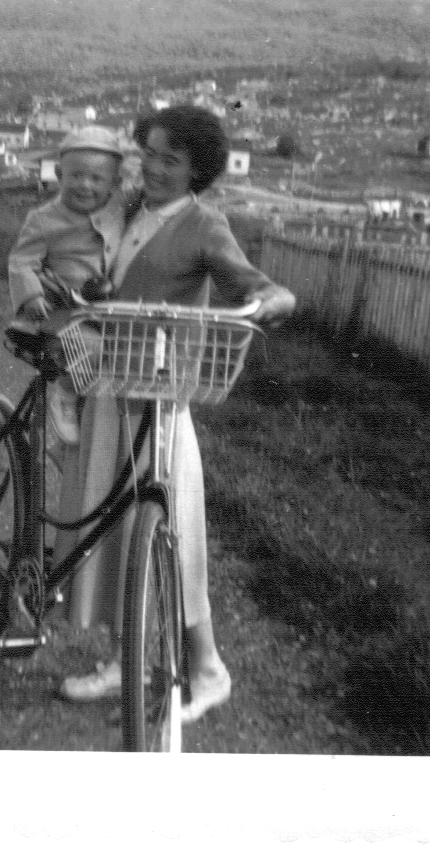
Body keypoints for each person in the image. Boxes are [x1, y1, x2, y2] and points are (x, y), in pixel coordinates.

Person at [57, 105, 296, 724]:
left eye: (172, 159)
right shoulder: (128, 209)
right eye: (150, 154)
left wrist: (273, 297)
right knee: (113, 527)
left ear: (199, 170)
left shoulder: (203, 224)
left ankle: (207, 668)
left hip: (160, 399)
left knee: (172, 527)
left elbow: (251, 283)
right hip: (111, 383)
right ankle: (124, 661)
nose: (155, 168)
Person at [7, 125, 129, 445]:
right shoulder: (45, 218)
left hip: (104, 311)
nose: (85, 186)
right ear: (60, 175)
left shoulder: (118, 212)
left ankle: (92, 441)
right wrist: (30, 293)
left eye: (97, 179)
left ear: (115, 184)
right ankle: (65, 395)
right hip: (59, 310)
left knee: (127, 356)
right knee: (90, 348)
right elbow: (22, 260)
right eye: (75, 176)